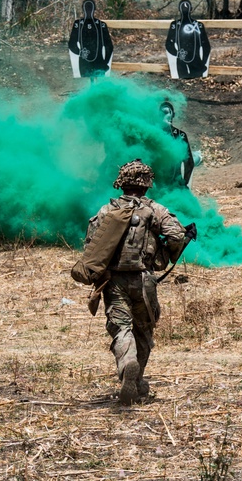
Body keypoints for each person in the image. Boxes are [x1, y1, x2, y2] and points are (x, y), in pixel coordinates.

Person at [77, 160, 194, 403]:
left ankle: (127, 364)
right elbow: (176, 234)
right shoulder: (155, 210)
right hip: (143, 280)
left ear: (122, 182)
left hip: (113, 281)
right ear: (147, 184)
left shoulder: (107, 211)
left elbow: (91, 244)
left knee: (121, 328)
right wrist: (164, 254)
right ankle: (137, 377)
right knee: (144, 330)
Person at [159, 101, 196, 188]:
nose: (165, 116)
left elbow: (189, 162)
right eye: (162, 113)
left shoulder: (180, 135)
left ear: (173, 115)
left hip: (175, 181)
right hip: (158, 181)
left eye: (167, 113)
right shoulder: (153, 134)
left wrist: (185, 182)